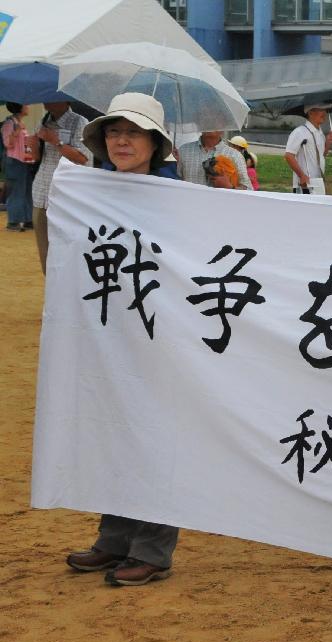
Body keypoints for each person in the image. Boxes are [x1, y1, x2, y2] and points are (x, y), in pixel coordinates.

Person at [66, 92, 180, 587]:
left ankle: (152, 548)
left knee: (154, 438)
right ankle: (113, 539)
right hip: (108, 338)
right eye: (114, 132)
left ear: (155, 144)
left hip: (161, 342)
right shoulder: (91, 193)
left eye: (133, 132)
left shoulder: (181, 198)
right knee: (111, 432)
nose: (121, 141)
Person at [31, 101, 92, 274]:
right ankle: (52, 289)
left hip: (67, 196)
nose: (45, 101)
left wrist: (55, 141)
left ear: (65, 100)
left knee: (69, 246)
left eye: (50, 96)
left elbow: (83, 158)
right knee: (45, 249)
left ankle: (69, 287)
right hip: (41, 193)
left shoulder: (80, 122)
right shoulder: (43, 121)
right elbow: (37, 158)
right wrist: (34, 143)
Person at [285, 103, 332, 194]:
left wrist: (328, 143)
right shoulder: (299, 132)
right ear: (310, 113)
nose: (324, 113)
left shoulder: (320, 133)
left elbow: (321, 156)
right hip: (305, 183)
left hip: (318, 182)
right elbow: (289, 155)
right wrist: (302, 176)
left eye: (325, 110)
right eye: (320, 110)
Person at [1, 103, 36, 231]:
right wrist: (16, 131)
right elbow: (7, 144)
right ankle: (13, 221)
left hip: (24, 161)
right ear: (19, 107)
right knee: (16, 191)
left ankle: (28, 220)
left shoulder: (19, 122)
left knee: (27, 191)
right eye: (25, 105)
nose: (28, 106)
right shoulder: (9, 123)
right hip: (14, 161)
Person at [178, 130, 251, 190]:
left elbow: (249, 190)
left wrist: (229, 187)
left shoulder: (235, 155)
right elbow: (176, 182)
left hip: (221, 206)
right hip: (191, 205)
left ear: (224, 126)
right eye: (206, 118)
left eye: (215, 120)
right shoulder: (184, 151)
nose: (210, 124)